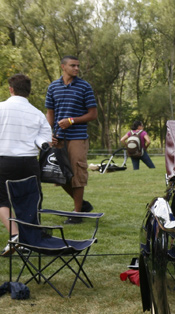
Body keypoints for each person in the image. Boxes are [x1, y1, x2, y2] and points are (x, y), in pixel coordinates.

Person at [0, 73, 51, 254]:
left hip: (4, 161)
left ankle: (15, 236)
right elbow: (46, 140)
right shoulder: (37, 113)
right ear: (28, 91)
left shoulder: (1, 108)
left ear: (11, 89)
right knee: (30, 200)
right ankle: (29, 240)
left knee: (2, 200)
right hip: (29, 162)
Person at [44, 55, 97, 219]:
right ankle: (82, 204)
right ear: (63, 67)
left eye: (78, 66)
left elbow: (93, 114)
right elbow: (50, 113)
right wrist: (49, 133)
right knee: (58, 175)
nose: (76, 68)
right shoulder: (53, 87)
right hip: (58, 138)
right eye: (73, 65)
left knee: (77, 175)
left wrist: (72, 121)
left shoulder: (84, 87)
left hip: (77, 138)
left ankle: (77, 213)